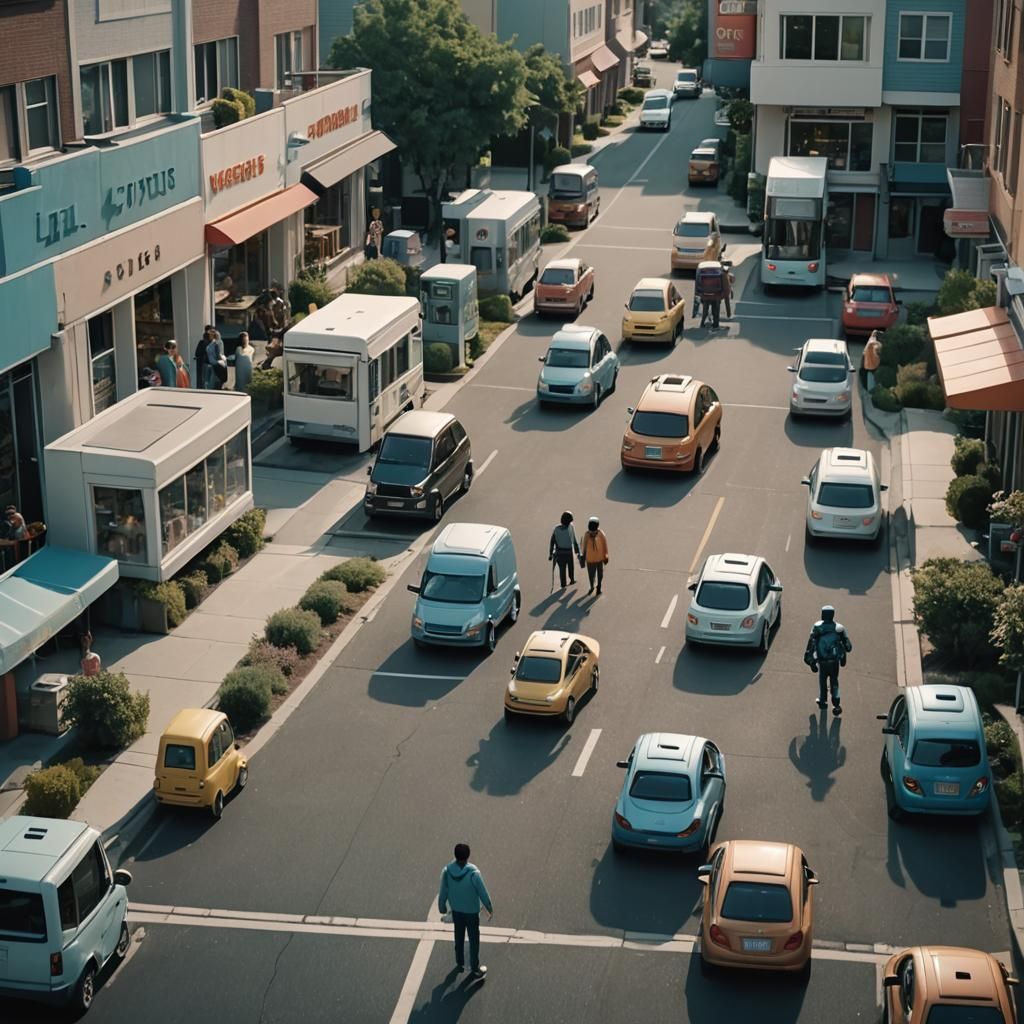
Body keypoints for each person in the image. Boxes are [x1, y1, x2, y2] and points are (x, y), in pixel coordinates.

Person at [438, 842, 492, 979]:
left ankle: (460, 961)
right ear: (468, 856)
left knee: (459, 936)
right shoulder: (473, 873)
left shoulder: (447, 872)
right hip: (472, 912)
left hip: (457, 910)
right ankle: (475, 967)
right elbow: (483, 893)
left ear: (455, 855)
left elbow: (443, 891)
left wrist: (442, 907)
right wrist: (489, 907)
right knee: (474, 939)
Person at [803, 605, 852, 716]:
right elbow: (848, 646)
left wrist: (810, 660)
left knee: (823, 681)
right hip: (834, 661)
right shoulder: (839, 628)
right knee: (834, 681)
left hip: (822, 661)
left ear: (822, 615)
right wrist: (843, 653)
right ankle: (836, 703)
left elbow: (811, 644)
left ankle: (823, 701)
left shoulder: (817, 627)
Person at [549, 511, 581, 589]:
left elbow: (552, 541)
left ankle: (563, 584)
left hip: (559, 552)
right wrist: (578, 552)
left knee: (562, 569)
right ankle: (572, 579)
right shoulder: (571, 527)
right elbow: (574, 540)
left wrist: (550, 553)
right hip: (568, 551)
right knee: (571, 567)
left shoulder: (556, 528)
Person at [580, 516, 609, 596]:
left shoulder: (601, 533)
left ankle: (598, 587)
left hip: (599, 558)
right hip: (590, 559)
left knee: (600, 574)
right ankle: (592, 586)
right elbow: (584, 547)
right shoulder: (587, 534)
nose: (592, 532)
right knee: (591, 575)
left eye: (594, 530)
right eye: (591, 531)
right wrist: (583, 557)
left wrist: (606, 555)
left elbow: (604, 544)